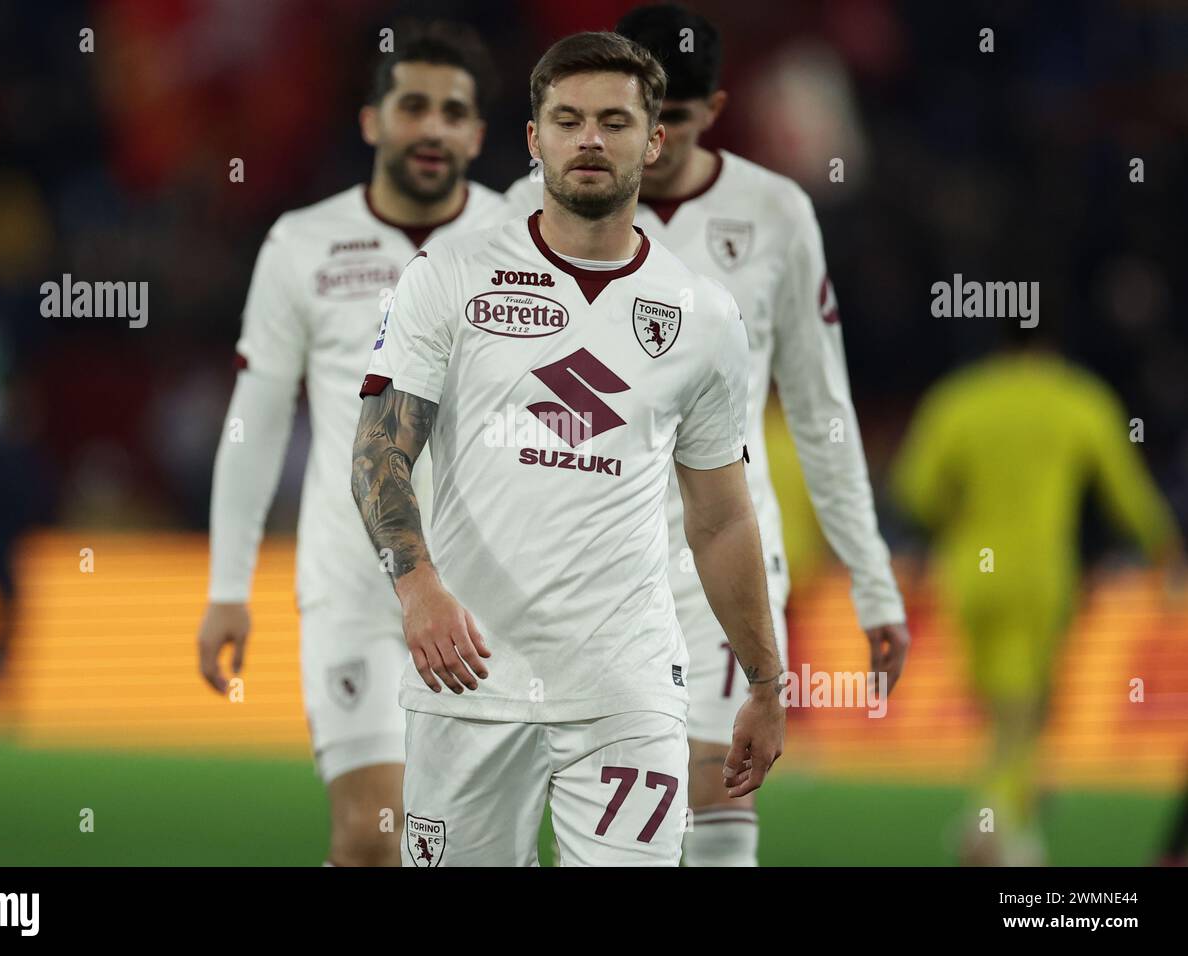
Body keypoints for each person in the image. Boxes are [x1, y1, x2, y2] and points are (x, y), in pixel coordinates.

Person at [352, 30, 784, 867]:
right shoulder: (448, 276)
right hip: (467, 681)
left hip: (625, 688)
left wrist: (765, 681)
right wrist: (417, 584)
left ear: (655, 141)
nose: (591, 139)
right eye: (569, 119)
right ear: (533, 138)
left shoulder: (702, 315)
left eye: (616, 122)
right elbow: (379, 453)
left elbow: (723, 520)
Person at [506, 4, 909, 866]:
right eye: (640, 115)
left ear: (713, 109)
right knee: (576, 810)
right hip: (575, 552)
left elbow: (821, 406)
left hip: (716, 548)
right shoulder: (526, 209)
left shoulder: (775, 214)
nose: (658, 139)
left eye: (677, 118)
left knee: (723, 799)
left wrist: (871, 579)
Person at [196, 20, 509, 867]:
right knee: (375, 836)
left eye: (454, 112)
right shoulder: (301, 244)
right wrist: (229, 584)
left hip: (493, 593)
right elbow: (254, 418)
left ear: (479, 134)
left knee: (461, 847)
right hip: (354, 585)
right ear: (372, 121)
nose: (433, 128)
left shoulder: (522, 237)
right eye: (413, 105)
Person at [893, 327, 1183, 865]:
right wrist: (1162, 543)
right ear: (1051, 342)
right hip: (1041, 574)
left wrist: (955, 522)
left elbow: (916, 487)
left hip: (971, 575)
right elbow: (1125, 486)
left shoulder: (960, 397)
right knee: (1026, 711)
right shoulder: (1076, 395)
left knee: (1003, 710)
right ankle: (1001, 827)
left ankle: (998, 819)